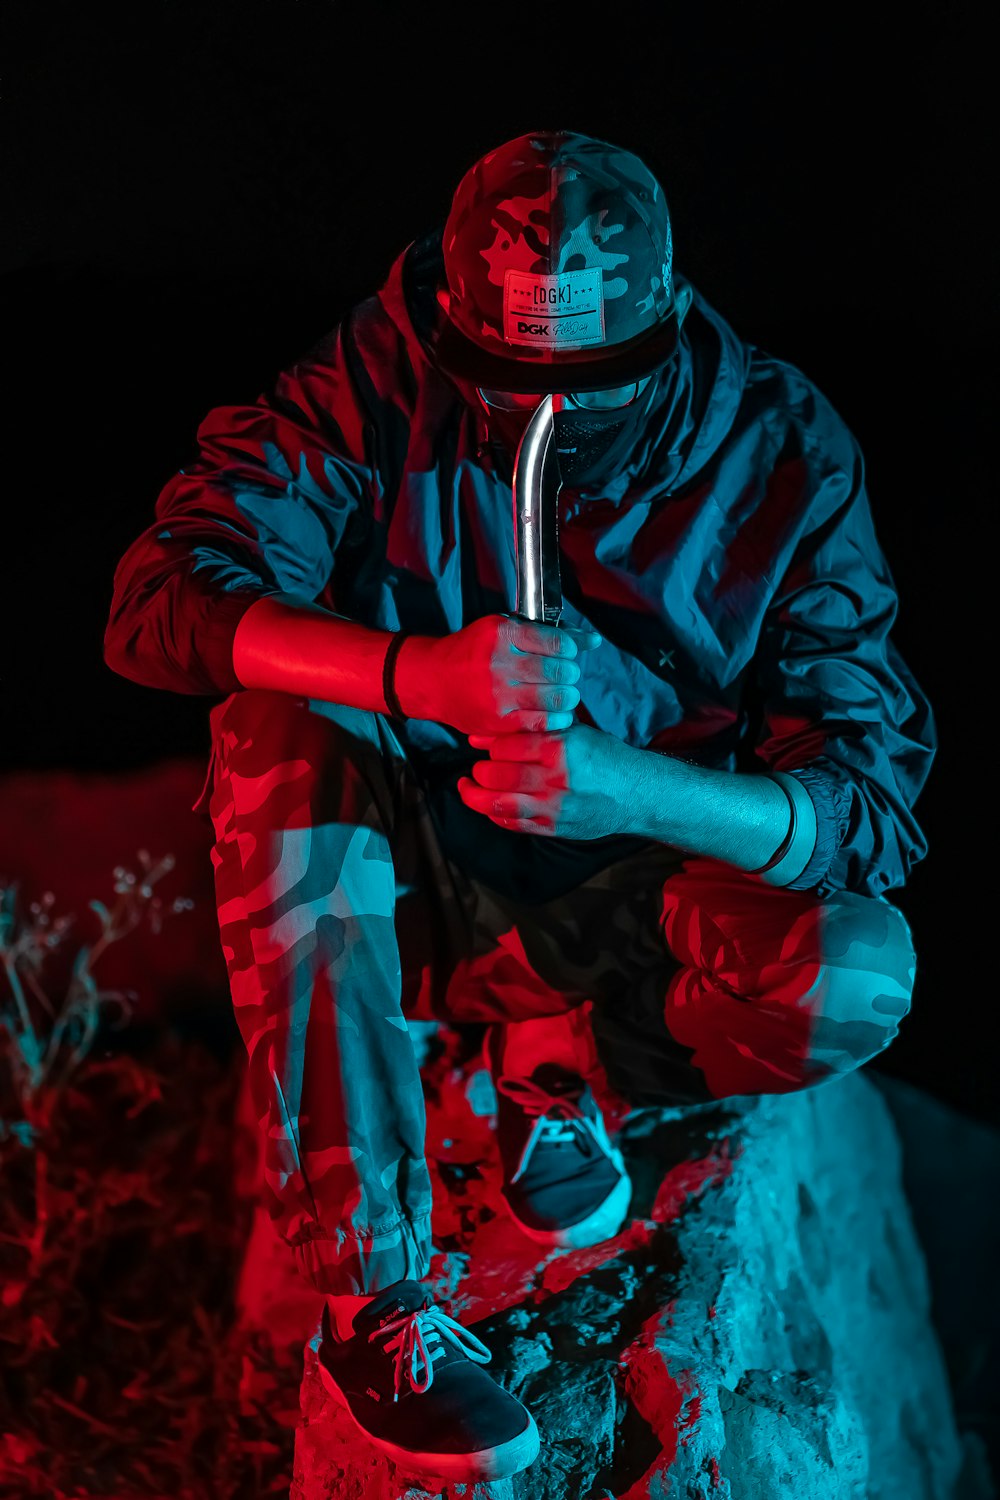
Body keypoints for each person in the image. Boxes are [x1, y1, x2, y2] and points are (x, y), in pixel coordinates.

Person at [103, 129, 935, 1484]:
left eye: (601, 383)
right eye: (503, 380)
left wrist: (628, 787)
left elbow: (873, 804)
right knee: (267, 723)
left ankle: (561, 1064)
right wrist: (408, 672)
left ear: (670, 319)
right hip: (421, 871)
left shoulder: (780, 449)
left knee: (856, 971)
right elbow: (160, 600)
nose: (549, 417)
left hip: (638, 896)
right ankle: (374, 1296)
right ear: (448, 318)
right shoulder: (377, 378)